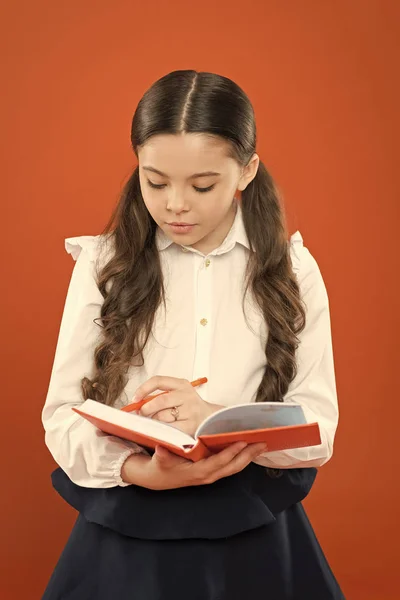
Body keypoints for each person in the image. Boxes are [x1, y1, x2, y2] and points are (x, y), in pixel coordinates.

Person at [41, 69, 345, 599]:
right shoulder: (103, 263)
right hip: (127, 536)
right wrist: (139, 470)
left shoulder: (293, 270)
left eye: (203, 185)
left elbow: (317, 431)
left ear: (246, 171)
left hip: (254, 535)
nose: (175, 204)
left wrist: (215, 421)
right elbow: (61, 418)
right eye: (154, 181)